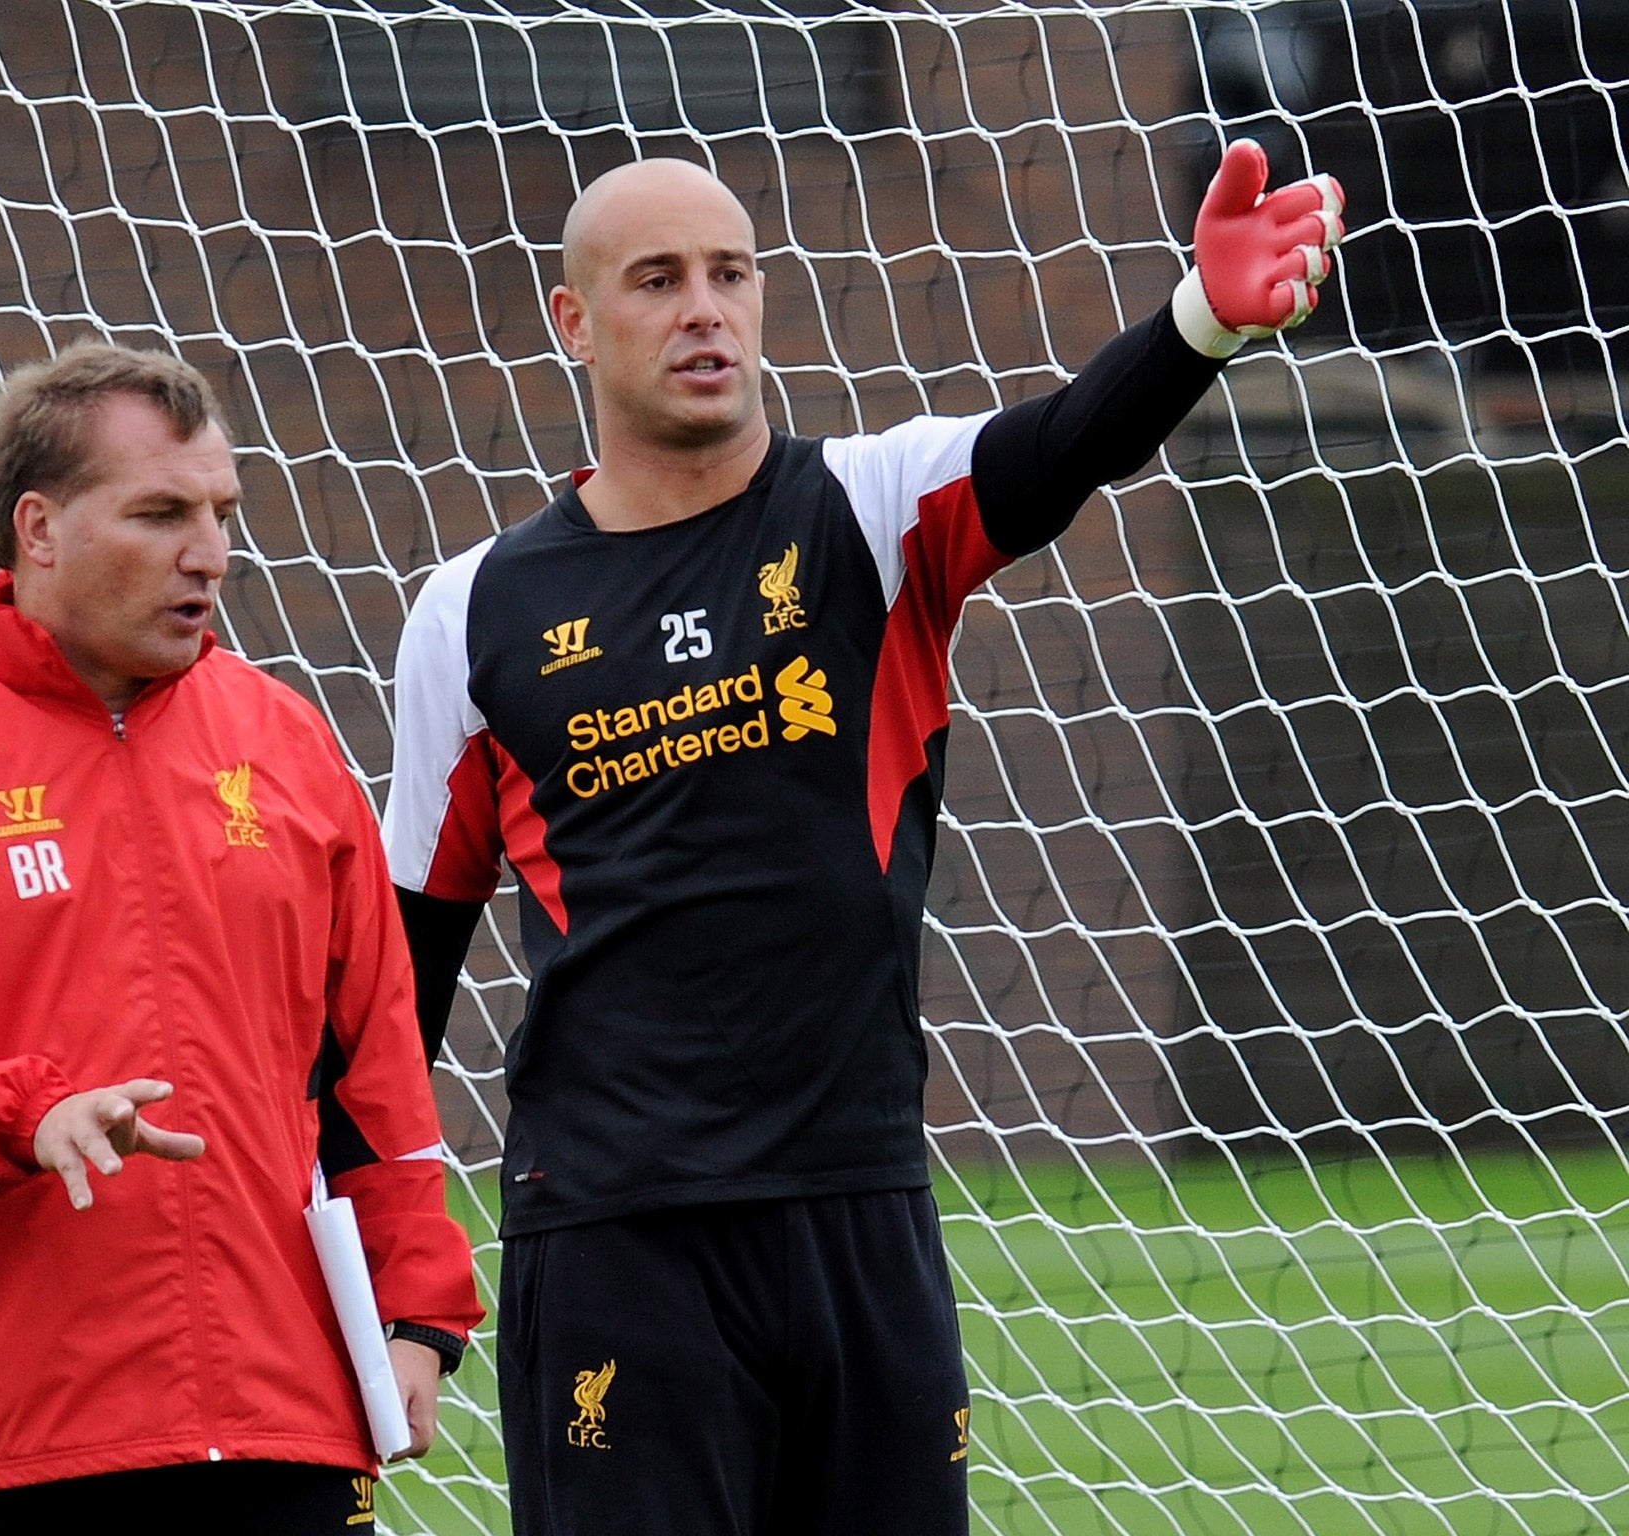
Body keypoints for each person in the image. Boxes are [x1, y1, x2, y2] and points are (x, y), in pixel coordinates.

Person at [381, 142, 1344, 1535]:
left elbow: (1063, 443)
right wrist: (374, 1269)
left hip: (858, 1207)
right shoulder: (470, 611)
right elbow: (400, 975)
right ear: (577, 322)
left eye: (731, 273)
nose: (705, 307)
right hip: (613, 1235)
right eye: (657, 280)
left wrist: (1199, 324)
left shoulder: (875, 508)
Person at [0, 341, 483, 1532]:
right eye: (160, 513)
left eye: (221, 512)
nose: (211, 552)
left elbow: (376, 1082)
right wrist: (21, 1116)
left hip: (278, 1423)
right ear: (37, 530)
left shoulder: (291, 750)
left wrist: (415, 1322)